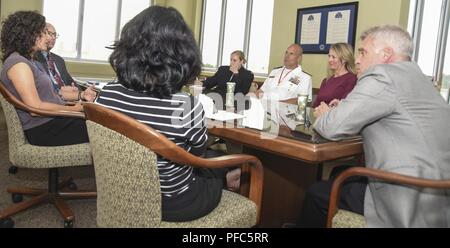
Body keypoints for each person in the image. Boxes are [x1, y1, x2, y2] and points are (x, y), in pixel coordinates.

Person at [95, 6, 241, 222]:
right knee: (218, 168)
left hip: (122, 191)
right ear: (181, 54)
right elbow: (197, 152)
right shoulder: (185, 105)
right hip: (174, 203)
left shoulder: (106, 94)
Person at [297, 25, 450, 227]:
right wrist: (346, 107)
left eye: (363, 52)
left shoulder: (382, 76)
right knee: (338, 173)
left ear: (386, 54)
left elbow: (330, 127)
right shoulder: (419, 79)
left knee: (316, 193)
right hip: (438, 193)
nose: (357, 59)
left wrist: (330, 114)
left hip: (405, 196)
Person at [0, 11, 96, 146]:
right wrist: (76, 109)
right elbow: (35, 108)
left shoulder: (31, 62)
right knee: (104, 130)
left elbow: (54, 93)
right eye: (43, 32)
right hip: (43, 128)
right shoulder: (19, 64)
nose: (48, 38)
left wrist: (81, 95)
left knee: (101, 124)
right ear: (28, 34)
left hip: (52, 120)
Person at [35, 23, 80, 96]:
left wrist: (80, 92)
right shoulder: (34, 58)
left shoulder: (59, 60)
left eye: (55, 35)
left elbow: (71, 82)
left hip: (70, 98)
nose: (53, 38)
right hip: (52, 98)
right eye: (49, 34)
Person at [312, 43, 357, 108]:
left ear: (344, 59)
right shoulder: (326, 80)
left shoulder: (351, 79)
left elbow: (345, 106)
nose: (330, 60)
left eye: (333, 57)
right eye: (329, 56)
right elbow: (315, 105)